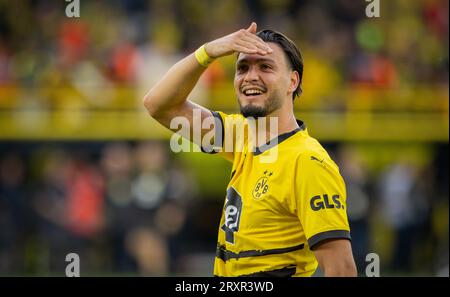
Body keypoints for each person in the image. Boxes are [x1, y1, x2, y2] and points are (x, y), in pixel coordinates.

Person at [143, 22, 356, 277]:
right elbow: (159, 105)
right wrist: (208, 52)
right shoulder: (240, 135)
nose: (250, 77)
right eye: (242, 68)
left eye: (266, 67)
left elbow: (341, 269)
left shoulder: (307, 161)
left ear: (292, 81)